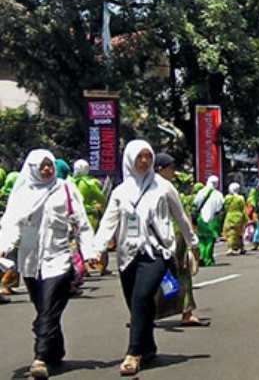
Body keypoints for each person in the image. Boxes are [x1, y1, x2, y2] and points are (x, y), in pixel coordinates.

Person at [93, 140, 199, 376]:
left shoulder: (162, 187)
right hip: (128, 255)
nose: (144, 161)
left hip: (157, 252)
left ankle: (134, 353)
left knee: (141, 297)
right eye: (139, 157)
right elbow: (108, 222)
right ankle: (148, 347)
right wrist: (97, 249)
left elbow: (180, 217)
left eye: (147, 157)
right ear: (130, 159)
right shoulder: (121, 191)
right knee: (135, 302)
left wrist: (193, 244)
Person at [0, 149, 97, 379]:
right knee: (44, 308)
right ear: (32, 168)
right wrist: (4, 246)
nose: (46, 170)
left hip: (59, 258)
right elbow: (11, 222)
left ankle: (40, 357)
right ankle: (55, 350)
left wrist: (90, 251)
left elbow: (81, 223)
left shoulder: (65, 188)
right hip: (31, 262)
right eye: (42, 166)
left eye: (50, 165)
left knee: (49, 307)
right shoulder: (22, 192)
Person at [153, 153, 207, 328]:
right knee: (155, 275)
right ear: (160, 169)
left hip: (175, 234)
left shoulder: (173, 186)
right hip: (161, 235)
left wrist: (191, 238)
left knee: (179, 273)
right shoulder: (152, 185)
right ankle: (143, 314)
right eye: (170, 168)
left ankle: (187, 312)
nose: (173, 171)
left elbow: (183, 212)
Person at [194, 175, 224, 266]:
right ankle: (208, 259)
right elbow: (220, 207)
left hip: (201, 218)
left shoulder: (201, 192)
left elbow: (195, 203)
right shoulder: (218, 194)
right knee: (210, 241)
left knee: (201, 239)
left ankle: (201, 257)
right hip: (212, 220)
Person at [222, 183, 247, 255]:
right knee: (239, 233)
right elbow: (243, 208)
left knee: (231, 233)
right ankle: (241, 248)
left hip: (230, 216)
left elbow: (225, 207)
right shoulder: (241, 198)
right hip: (239, 216)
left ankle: (231, 248)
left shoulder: (227, 198)